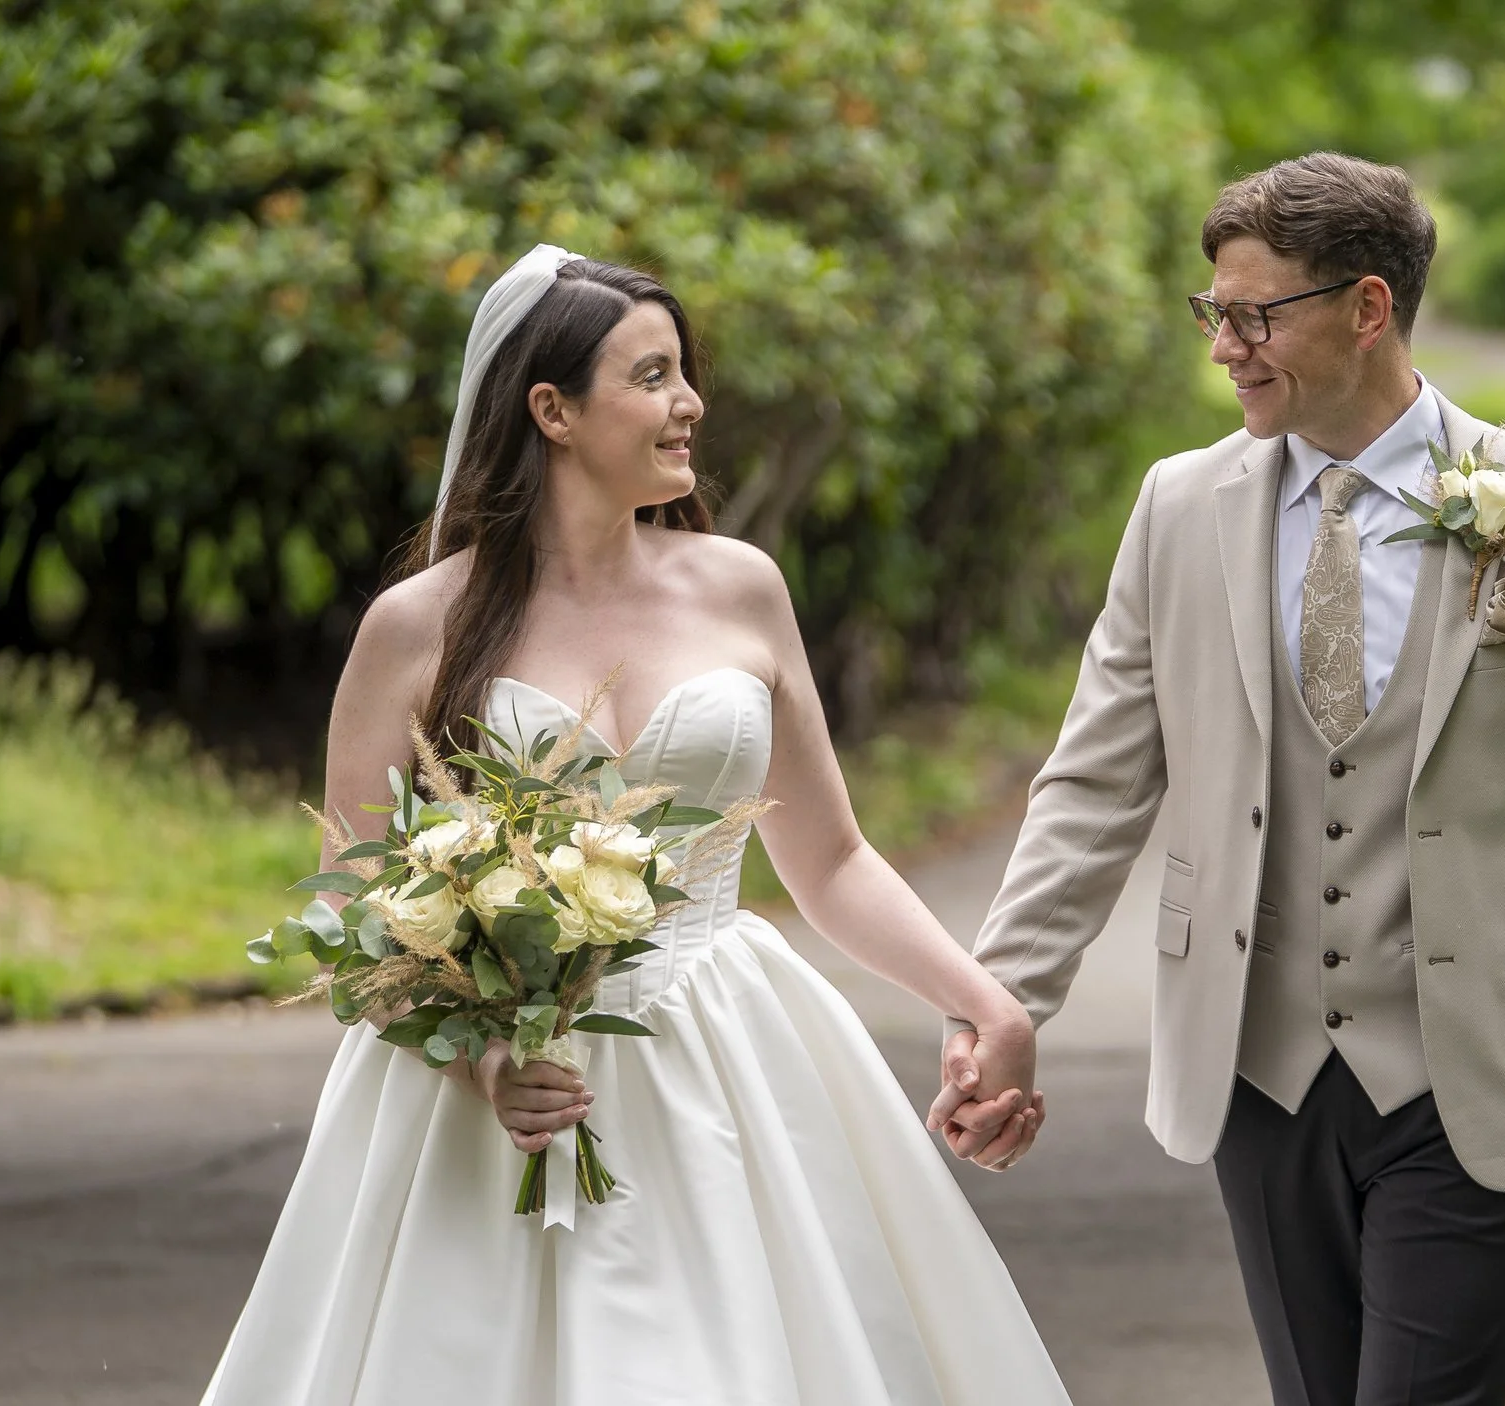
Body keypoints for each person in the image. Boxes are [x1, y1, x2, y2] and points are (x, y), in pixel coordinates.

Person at [928, 153, 1505, 1405]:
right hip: (1256, 1063)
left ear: (1367, 307)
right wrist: (997, 1008)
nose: (1224, 344)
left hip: (1478, 1067)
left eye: (1254, 313)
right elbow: (1092, 785)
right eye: (1211, 312)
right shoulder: (1178, 508)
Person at [202, 247, 1062, 1404]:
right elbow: (345, 901)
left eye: (684, 373)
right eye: (653, 376)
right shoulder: (415, 626)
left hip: (725, 1060)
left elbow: (832, 859)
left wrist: (985, 1000)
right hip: (492, 1105)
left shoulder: (742, 586)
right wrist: (484, 1056)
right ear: (550, 410)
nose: (690, 403)